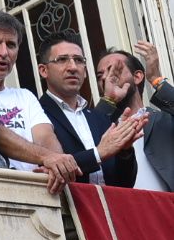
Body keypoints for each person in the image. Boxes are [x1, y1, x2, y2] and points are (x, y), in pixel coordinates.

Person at [0, 9, 139, 192]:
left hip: (36, 196)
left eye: (11, 45)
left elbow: (47, 139)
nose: (4, 53)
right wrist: (47, 158)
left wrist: (56, 162)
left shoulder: (25, 96)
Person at [35, 31, 139, 187]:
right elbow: (54, 171)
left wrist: (125, 150)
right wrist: (98, 153)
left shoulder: (98, 117)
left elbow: (125, 184)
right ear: (44, 70)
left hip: (111, 208)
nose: (72, 67)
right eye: (62, 60)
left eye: (78, 60)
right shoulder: (36, 114)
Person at [96, 42, 174, 192]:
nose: (106, 78)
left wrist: (157, 80)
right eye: (100, 76)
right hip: (124, 212)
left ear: (137, 77)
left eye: (115, 71)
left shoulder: (164, 120)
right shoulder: (103, 126)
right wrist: (108, 100)